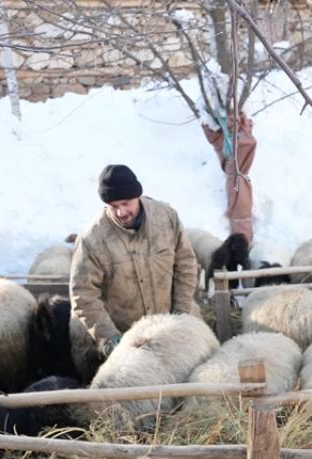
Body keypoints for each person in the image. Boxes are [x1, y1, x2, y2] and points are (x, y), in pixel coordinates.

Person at [69, 164, 200, 357]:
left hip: (170, 326)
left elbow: (186, 264)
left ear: (137, 195)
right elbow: (83, 294)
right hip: (126, 341)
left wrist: (180, 316)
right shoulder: (92, 240)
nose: (121, 212)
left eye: (126, 203)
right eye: (114, 206)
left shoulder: (166, 219)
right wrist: (110, 338)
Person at [201, 111, 256, 241]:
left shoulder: (239, 143)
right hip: (236, 180)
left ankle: (242, 241)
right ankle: (242, 241)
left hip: (238, 180)